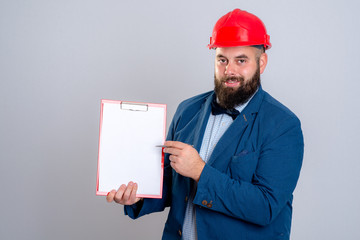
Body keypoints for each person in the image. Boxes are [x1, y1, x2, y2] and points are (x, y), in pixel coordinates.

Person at [106, 8, 304, 240]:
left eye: (241, 60)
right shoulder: (187, 110)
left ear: (261, 63)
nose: (229, 70)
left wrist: (200, 171)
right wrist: (138, 197)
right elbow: (170, 184)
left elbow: (266, 206)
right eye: (222, 60)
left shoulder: (283, 125)